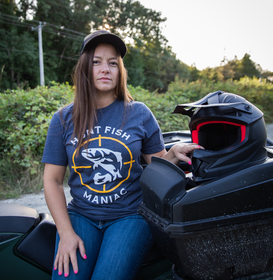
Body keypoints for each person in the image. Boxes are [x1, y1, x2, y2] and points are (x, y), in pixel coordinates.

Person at [42, 30, 201, 280]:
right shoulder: (63, 119)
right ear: (85, 68)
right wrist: (66, 233)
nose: (105, 69)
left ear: (120, 71)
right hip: (81, 215)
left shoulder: (138, 113)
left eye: (112, 63)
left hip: (131, 216)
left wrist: (173, 153)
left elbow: (156, 165)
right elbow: (51, 180)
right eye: (96, 62)